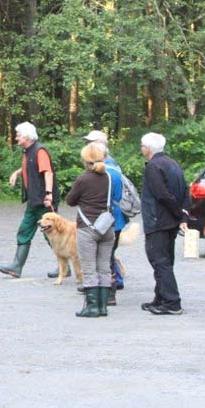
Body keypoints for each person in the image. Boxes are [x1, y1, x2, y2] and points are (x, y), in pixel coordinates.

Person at [0, 122, 60, 278]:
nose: (16, 138)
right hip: (33, 201)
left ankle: (63, 266)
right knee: (24, 230)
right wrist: (17, 173)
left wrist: (49, 194)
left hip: (44, 201)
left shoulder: (40, 151)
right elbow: (30, 167)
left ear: (27, 136)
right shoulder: (28, 151)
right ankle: (16, 267)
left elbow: (48, 173)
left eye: (18, 135)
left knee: (51, 234)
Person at [139, 132, 189, 315]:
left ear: (148, 149)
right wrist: (182, 215)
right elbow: (185, 190)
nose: (141, 149)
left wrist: (177, 212)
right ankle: (160, 298)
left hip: (158, 221)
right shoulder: (172, 163)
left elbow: (162, 194)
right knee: (165, 260)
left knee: (159, 261)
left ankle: (171, 302)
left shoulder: (153, 167)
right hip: (169, 222)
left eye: (142, 146)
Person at [65, 142, 115, 317]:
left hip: (87, 228)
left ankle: (92, 307)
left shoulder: (83, 179)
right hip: (107, 227)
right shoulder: (109, 177)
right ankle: (103, 307)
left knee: (89, 268)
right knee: (104, 267)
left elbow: (70, 200)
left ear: (85, 160)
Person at [84, 130, 125, 305]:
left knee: (104, 258)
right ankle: (110, 289)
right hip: (115, 219)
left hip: (104, 220)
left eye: (90, 143)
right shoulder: (114, 169)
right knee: (108, 256)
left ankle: (107, 294)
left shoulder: (104, 172)